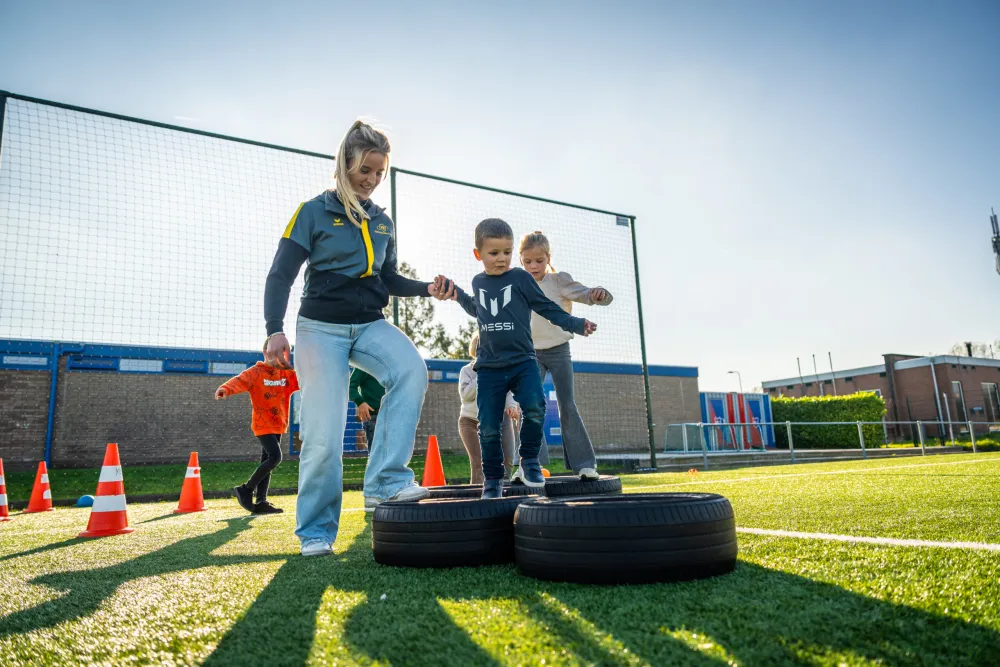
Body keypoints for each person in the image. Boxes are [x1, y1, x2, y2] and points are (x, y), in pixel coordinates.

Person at [263, 119, 456, 556]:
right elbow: (280, 274)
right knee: (324, 434)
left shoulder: (382, 222)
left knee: (410, 369)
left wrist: (425, 287)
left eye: (379, 173)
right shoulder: (312, 211)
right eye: (364, 170)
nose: (371, 180)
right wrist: (275, 329)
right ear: (344, 164)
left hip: (369, 324)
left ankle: (385, 482)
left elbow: (387, 278)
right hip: (320, 329)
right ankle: (315, 532)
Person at [452, 218, 597, 499]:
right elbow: (478, 309)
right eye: (494, 253)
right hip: (491, 366)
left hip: (523, 360)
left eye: (507, 252)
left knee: (534, 406)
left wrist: (576, 323)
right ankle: (492, 480)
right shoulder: (478, 282)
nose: (502, 259)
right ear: (478, 254)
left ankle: (530, 460)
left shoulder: (519, 278)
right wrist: (457, 294)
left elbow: (545, 306)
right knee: (490, 426)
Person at [519, 231, 613, 480]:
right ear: (521, 261)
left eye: (539, 260)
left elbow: (584, 293)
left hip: (559, 350)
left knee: (567, 405)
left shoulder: (558, 281)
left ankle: (584, 464)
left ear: (547, 258)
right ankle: (532, 464)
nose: (533, 266)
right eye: (527, 261)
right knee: (531, 406)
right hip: (530, 354)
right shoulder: (518, 283)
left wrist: (597, 294)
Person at [215, 342, 299, 515]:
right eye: (273, 352)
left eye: (282, 354)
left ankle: (261, 501)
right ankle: (246, 489)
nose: (277, 357)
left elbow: (306, 381)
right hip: (262, 423)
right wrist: (226, 388)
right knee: (275, 457)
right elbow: (240, 380)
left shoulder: (287, 374)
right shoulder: (256, 372)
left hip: (278, 423)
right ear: (265, 352)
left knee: (266, 462)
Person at [458, 332, 521, 484]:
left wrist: (512, 406)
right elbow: (466, 396)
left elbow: (507, 392)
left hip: (499, 420)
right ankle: (478, 499)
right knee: (479, 462)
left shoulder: (500, 369)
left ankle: (504, 494)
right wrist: (482, 373)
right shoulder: (467, 371)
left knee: (507, 459)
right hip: (470, 422)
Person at [349, 367, 384, 450]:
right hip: (374, 416)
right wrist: (360, 402)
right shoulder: (365, 365)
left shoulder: (391, 364)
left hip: (393, 415)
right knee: (377, 454)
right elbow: (350, 387)